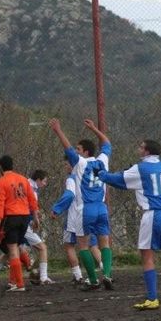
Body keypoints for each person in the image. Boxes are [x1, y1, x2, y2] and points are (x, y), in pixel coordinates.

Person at [99, 139, 161, 310]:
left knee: (147, 256)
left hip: (153, 215)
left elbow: (117, 180)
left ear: (147, 151)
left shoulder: (141, 168)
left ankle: (152, 298)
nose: (139, 149)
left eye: (141, 147)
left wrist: (101, 174)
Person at [49, 118, 114, 290]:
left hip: (85, 209)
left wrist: (58, 130)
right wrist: (94, 128)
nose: (76, 152)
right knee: (104, 244)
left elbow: (67, 148)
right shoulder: (103, 161)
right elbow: (107, 143)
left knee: (83, 246)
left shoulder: (80, 163)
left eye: (79, 149)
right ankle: (107, 274)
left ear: (85, 152)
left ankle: (93, 280)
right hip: (102, 208)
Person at [50, 160, 101, 284]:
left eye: (66, 164)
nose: (65, 167)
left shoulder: (71, 179)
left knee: (69, 245)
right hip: (90, 214)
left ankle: (78, 276)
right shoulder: (87, 177)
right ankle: (106, 272)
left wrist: (57, 209)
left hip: (74, 218)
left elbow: (69, 195)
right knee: (92, 245)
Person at [0, 154, 38, 292]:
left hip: (11, 217)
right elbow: (32, 199)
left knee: (12, 251)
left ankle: (19, 284)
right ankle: (13, 281)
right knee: (17, 248)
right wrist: (35, 217)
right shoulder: (23, 179)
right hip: (25, 217)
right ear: (12, 165)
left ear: (0, 167)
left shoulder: (1, 182)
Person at [25, 169, 54, 284]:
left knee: (11, 251)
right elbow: (31, 207)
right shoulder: (31, 189)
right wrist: (35, 220)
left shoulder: (26, 184)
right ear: (38, 180)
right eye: (44, 181)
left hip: (16, 221)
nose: (45, 184)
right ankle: (43, 277)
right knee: (43, 247)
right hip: (23, 223)